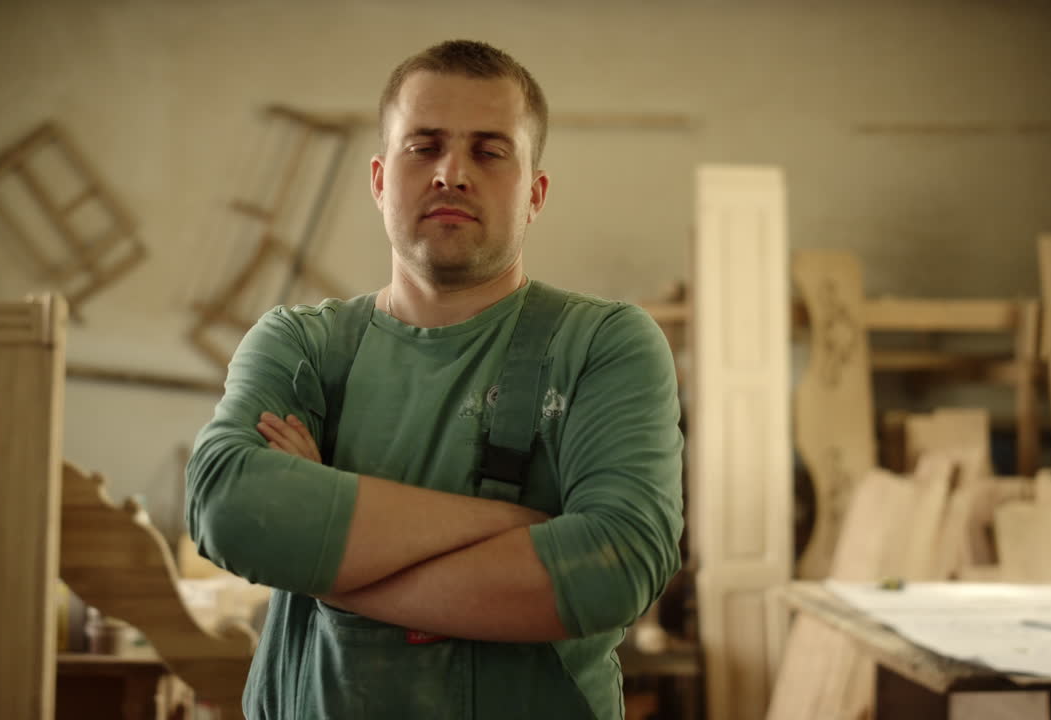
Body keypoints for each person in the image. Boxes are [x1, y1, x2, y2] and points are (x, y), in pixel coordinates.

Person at [186, 39, 684, 720]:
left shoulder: (603, 344)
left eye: (489, 150)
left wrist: (328, 570)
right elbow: (228, 507)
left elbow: (614, 566)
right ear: (380, 180)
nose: (451, 172)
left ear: (535, 193)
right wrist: (516, 528)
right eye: (423, 146)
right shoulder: (300, 343)